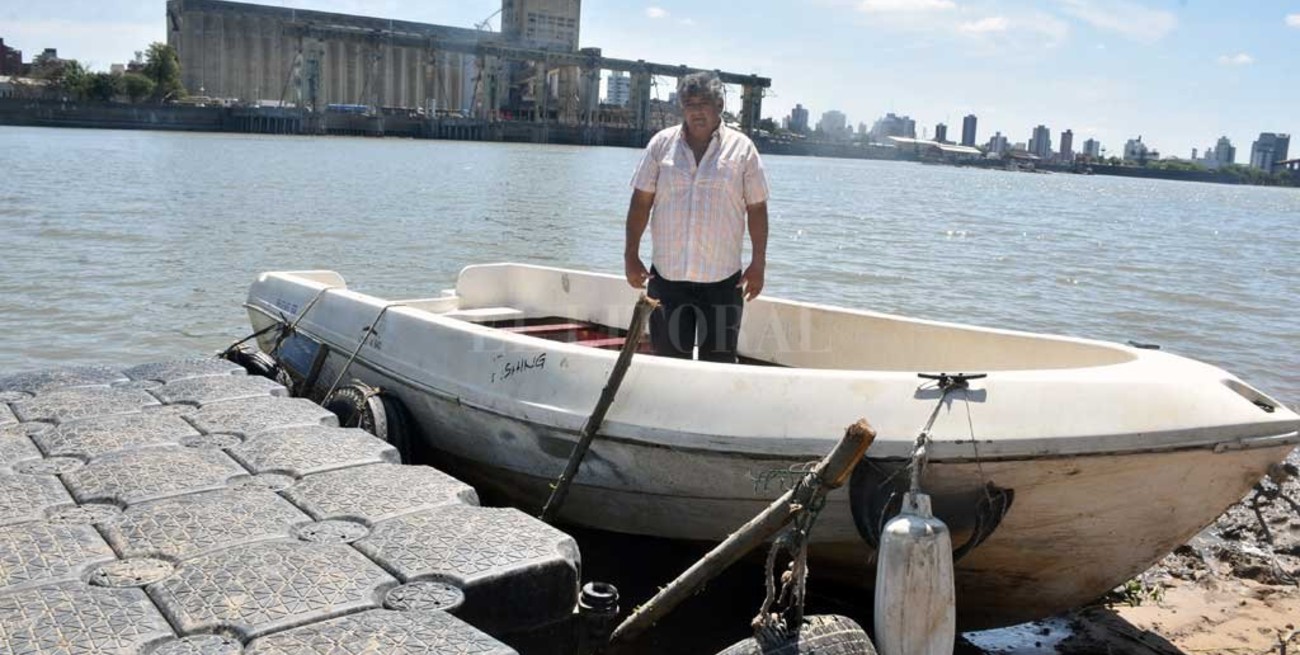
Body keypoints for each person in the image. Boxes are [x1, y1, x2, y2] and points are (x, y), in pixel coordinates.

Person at [623, 71, 770, 363]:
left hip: (723, 283)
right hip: (667, 280)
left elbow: (757, 209)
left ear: (720, 104)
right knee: (667, 364)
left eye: (704, 103)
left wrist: (758, 263)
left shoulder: (743, 150)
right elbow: (641, 202)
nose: (697, 111)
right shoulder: (661, 145)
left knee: (719, 366)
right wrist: (630, 255)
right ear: (681, 108)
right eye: (690, 104)